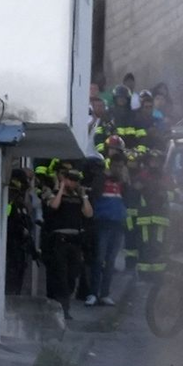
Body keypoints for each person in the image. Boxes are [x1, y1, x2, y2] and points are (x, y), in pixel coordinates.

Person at [43, 167, 93, 319]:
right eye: (70, 179)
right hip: (60, 241)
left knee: (72, 276)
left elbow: (89, 213)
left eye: (75, 180)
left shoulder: (79, 197)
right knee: (62, 277)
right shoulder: (55, 194)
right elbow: (54, 206)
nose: (74, 183)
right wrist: (61, 188)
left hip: (75, 242)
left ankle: (64, 304)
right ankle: (63, 309)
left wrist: (84, 196)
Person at [87, 144, 130, 306]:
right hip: (102, 223)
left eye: (122, 166)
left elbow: (128, 200)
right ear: (111, 165)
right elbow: (95, 194)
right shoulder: (101, 178)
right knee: (99, 259)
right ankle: (93, 293)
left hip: (117, 224)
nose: (119, 169)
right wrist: (104, 177)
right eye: (117, 166)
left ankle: (105, 293)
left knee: (110, 260)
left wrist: (126, 182)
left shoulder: (123, 183)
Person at [111, 85, 148, 154]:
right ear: (115, 98)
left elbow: (141, 134)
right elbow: (101, 133)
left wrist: (141, 150)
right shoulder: (109, 114)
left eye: (124, 97)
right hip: (114, 151)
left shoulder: (135, 115)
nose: (121, 99)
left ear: (128, 99)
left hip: (132, 151)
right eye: (119, 97)